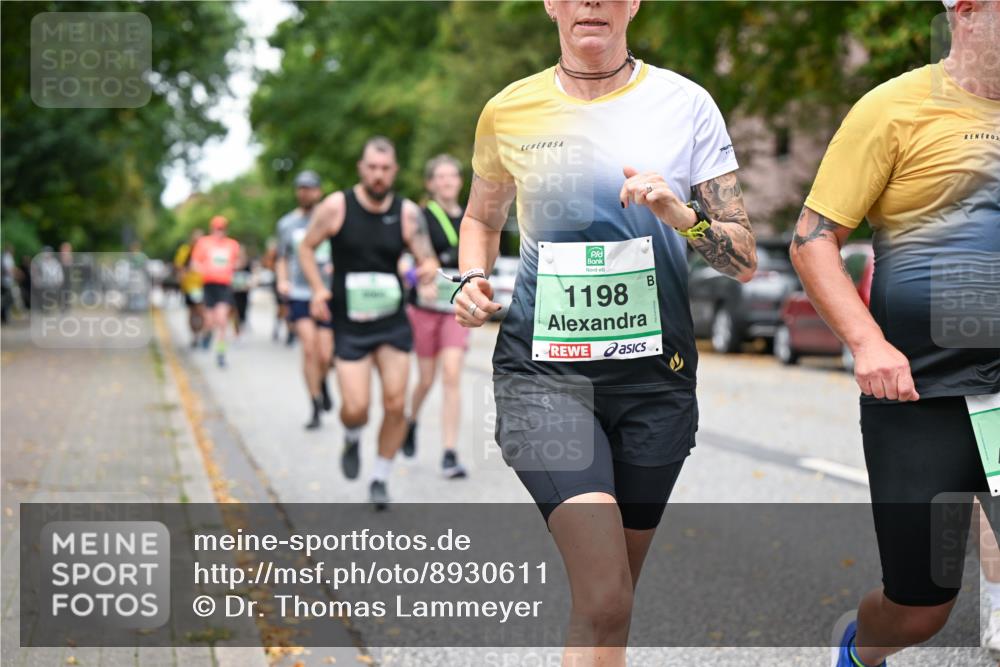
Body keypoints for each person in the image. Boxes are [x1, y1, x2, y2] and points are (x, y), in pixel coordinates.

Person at [455, 1, 756, 664]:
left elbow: (743, 257)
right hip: (543, 381)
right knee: (605, 596)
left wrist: (685, 217)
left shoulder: (687, 104)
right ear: (552, 5)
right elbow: (480, 216)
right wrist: (469, 277)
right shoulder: (509, 109)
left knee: (612, 601)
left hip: (657, 386)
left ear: (633, 4)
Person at [785, 1, 1000, 665]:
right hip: (921, 394)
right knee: (918, 606)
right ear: (966, 12)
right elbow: (813, 239)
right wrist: (867, 342)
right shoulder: (893, 108)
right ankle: (860, 648)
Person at [300, 136, 440, 509]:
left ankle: (379, 476)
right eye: (372, 168)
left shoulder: (408, 213)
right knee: (356, 407)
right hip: (350, 325)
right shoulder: (336, 207)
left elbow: (426, 257)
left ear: (394, 171)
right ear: (362, 169)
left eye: (385, 169)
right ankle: (351, 435)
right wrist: (317, 289)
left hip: (392, 322)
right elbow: (305, 248)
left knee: (395, 404)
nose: (379, 175)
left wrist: (426, 272)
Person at [401, 155, 470, 478]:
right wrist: (417, 279)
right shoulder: (420, 216)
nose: (446, 181)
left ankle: (449, 453)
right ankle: (410, 421)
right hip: (425, 308)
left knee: (452, 374)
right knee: (426, 379)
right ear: (430, 183)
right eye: (439, 177)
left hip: (456, 308)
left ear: (459, 181)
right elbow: (403, 261)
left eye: (451, 175)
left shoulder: (473, 217)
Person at [276, 170, 336, 430]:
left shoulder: (331, 217)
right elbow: (281, 256)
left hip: (328, 292)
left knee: (326, 355)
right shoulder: (287, 224)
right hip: (300, 293)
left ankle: (322, 382)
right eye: (301, 188)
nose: (305, 192)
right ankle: (314, 404)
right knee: (309, 349)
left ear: (318, 191)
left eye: (310, 188)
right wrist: (282, 280)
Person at [192, 216, 241, 368]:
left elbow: (237, 262)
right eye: (216, 228)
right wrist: (204, 270)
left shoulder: (232, 245)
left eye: (222, 228)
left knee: (222, 320)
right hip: (208, 285)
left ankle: (220, 353)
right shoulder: (203, 243)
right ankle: (207, 333)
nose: (219, 231)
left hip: (224, 286)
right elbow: (195, 262)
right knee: (209, 321)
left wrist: (232, 268)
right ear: (212, 228)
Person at [174, 229, 207, 348]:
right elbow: (178, 266)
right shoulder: (185, 250)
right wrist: (183, 274)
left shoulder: (206, 251)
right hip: (190, 287)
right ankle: (195, 335)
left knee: (201, 311)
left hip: (204, 285)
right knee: (193, 312)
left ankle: (201, 334)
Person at [231, 245, 252, 339]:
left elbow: (251, 277)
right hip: (234, 292)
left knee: (242, 312)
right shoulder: (232, 262)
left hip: (244, 292)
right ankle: (237, 332)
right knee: (235, 313)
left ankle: (241, 329)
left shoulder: (248, 264)